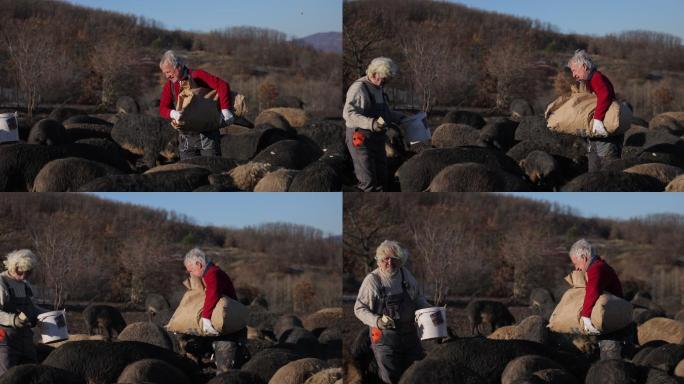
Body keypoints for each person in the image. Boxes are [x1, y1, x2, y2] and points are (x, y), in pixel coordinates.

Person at [354, 240, 430, 384]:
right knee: (391, 379)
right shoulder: (372, 281)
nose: (390, 262)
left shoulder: (405, 275)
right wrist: (377, 321)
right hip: (385, 340)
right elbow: (359, 309)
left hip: (410, 337)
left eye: (394, 258)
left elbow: (417, 298)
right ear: (379, 261)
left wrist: (429, 309)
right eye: (385, 259)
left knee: (417, 375)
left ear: (400, 260)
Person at [343, 57, 406, 192]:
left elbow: (384, 113)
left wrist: (401, 117)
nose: (384, 82)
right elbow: (348, 114)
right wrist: (371, 123)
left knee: (382, 178)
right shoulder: (359, 88)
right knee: (368, 181)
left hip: (377, 139)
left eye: (386, 79)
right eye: (382, 78)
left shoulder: (379, 88)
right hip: (360, 138)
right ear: (373, 73)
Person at [159, 50, 234, 160]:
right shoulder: (169, 86)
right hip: (185, 140)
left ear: (178, 66)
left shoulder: (197, 75)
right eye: (165, 73)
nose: (167, 76)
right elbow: (162, 108)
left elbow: (222, 86)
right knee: (189, 173)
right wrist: (172, 113)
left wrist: (225, 109)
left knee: (212, 170)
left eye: (168, 72)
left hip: (208, 137)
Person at [183, 248, 245, 373]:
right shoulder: (212, 272)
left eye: (191, 270)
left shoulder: (212, 273)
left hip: (229, 331)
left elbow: (213, 294)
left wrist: (205, 317)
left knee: (225, 372)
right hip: (223, 328)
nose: (191, 274)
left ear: (199, 265)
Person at [569, 239, 629, 360]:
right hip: (612, 319)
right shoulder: (600, 266)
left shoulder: (596, 268)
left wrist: (585, 316)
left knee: (610, 361)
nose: (577, 269)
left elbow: (593, 290)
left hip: (612, 323)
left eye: (576, 263)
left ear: (584, 258)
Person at [567, 49, 621, 171]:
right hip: (597, 135)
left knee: (606, 167)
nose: (573, 75)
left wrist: (597, 119)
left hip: (605, 135)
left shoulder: (596, 78)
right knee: (594, 165)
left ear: (584, 67)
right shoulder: (590, 81)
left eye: (574, 70)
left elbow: (605, 95)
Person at [0, 250, 48, 375]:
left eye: (28, 272)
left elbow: (32, 308)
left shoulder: (25, 285)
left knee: (32, 374)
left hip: (26, 339)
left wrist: (50, 314)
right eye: (20, 272)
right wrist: (13, 320)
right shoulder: (1, 282)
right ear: (13, 267)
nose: (23, 276)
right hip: (6, 341)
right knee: (7, 377)